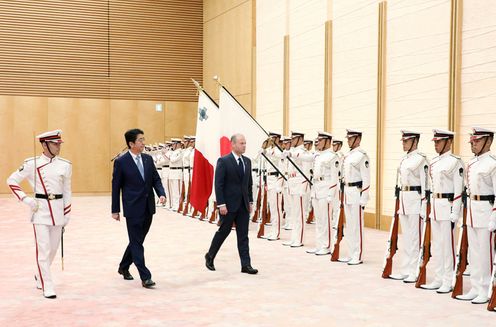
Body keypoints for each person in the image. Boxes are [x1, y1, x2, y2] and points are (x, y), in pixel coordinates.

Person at [7, 130, 72, 299]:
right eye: (54, 144)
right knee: (43, 250)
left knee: (53, 249)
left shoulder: (65, 165)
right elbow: (11, 180)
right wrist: (26, 199)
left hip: (58, 211)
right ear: (44, 145)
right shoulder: (32, 163)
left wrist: (67, 213)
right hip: (40, 211)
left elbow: (67, 191)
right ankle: (47, 285)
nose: (58, 147)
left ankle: (39, 274)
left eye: (59, 144)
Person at [111, 128, 166, 288]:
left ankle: (123, 266)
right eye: (140, 140)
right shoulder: (121, 162)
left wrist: (161, 193)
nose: (143, 142)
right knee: (137, 243)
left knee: (137, 241)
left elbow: (155, 179)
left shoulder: (148, 159)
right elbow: (116, 187)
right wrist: (115, 210)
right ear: (131, 144)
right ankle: (145, 276)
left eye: (143, 139)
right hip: (133, 208)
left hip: (148, 207)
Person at [204, 134, 258, 274]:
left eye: (245, 143)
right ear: (233, 145)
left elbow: (249, 183)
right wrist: (221, 204)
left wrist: (250, 200)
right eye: (241, 143)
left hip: (243, 205)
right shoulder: (224, 161)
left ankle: (246, 265)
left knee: (243, 235)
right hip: (228, 205)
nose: (244, 145)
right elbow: (219, 184)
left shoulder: (247, 161)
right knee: (224, 232)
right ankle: (210, 256)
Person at [455, 127, 496, 304]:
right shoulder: (471, 163)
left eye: (477, 141)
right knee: (473, 252)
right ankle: (475, 287)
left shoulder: (493, 163)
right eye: (472, 141)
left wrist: (494, 217)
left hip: (486, 212)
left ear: (489, 141)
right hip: (472, 211)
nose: (473, 144)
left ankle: (486, 288)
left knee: (485, 252)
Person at [420, 129, 464, 293]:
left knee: (448, 246)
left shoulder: (455, 162)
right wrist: (428, 208)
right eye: (435, 142)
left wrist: (456, 211)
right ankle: (438, 278)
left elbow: (459, 189)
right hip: (437, 207)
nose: (436, 144)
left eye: (438, 142)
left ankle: (448, 279)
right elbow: (431, 188)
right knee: (437, 245)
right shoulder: (434, 162)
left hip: (448, 206)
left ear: (448, 142)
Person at [389, 130, 428, 282]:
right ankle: (406, 269)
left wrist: (424, 204)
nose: (403, 143)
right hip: (404, 201)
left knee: (414, 238)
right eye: (403, 141)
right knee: (406, 238)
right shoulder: (404, 159)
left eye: (406, 141)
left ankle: (415, 270)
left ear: (415, 142)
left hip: (415, 201)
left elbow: (426, 185)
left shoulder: (421, 160)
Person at [306, 132, 340, 255]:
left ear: (327, 141)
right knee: (319, 219)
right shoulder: (318, 156)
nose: (317, 142)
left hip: (326, 190)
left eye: (320, 140)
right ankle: (319, 244)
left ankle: (326, 246)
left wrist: (331, 194)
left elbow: (335, 177)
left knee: (326, 219)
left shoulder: (332, 156)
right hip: (316, 189)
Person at [340, 129, 370, 265]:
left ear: (358, 139)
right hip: (347, 192)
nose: (348, 140)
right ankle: (351, 253)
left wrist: (364, 197)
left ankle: (358, 255)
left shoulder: (362, 156)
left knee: (357, 226)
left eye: (350, 138)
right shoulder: (348, 156)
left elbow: (366, 178)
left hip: (357, 192)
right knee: (350, 226)